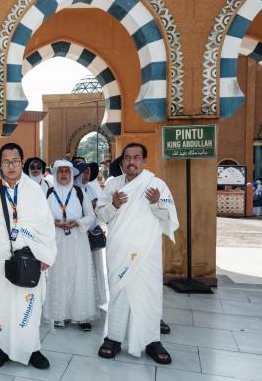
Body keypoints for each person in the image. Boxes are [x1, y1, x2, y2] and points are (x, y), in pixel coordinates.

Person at [96, 143, 178, 365]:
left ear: (144, 161)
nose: (132, 162)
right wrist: (113, 204)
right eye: (127, 158)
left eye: (137, 157)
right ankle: (113, 338)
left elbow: (169, 219)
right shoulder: (113, 184)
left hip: (146, 253)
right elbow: (101, 215)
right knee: (119, 294)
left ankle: (152, 340)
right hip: (119, 251)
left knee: (149, 295)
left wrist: (156, 203)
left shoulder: (156, 185)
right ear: (122, 162)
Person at [0, 143, 56, 370]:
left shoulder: (34, 190)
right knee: (2, 305)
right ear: (0, 164)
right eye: (6, 162)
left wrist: (45, 255)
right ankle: (3, 347)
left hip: (31, 258)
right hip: (2, 257)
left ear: (22, 163)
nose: (11, 166)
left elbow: (46, 226)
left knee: (30, 306)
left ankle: (32, 348)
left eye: (15, 161)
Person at [44, 160, 99, 331]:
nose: (64, 174)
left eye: (67, 171)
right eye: (60, 171)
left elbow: (91, 216)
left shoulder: (79, 192)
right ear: (55, 174)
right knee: (59, 275)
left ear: (71, 173)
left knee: (78, 275)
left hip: (77, 242)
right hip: (57, 242)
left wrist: (77, 222)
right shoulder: (49, 194)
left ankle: (81, 316)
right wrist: (53, 223)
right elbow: (41, 217)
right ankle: (61, 314)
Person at [74, 160, 108, 307]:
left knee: (95, 269)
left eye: (88, 172)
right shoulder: (71, 191)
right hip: (77, 238)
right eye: (84, 172)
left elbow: (99, 212)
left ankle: (94, 302)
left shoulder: (91, 190)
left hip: (92, 236)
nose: (86, 175)